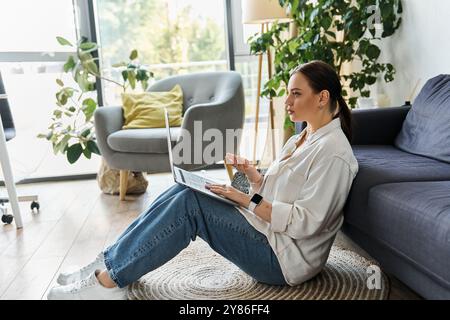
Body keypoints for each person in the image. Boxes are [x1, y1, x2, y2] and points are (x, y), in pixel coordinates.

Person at [48, 60, 359, 300]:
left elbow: (308, 222)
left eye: (296, 93)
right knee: (182, 189)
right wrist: (254, 177)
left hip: (284, 261)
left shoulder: (333, 153)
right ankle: (109, 261)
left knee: (189, 204)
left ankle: (108, 283)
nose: (287, 101)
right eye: (288, 93)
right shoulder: (303, 137)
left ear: (322, 98)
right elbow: (279, 194)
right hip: (267, 234)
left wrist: (246, 198)